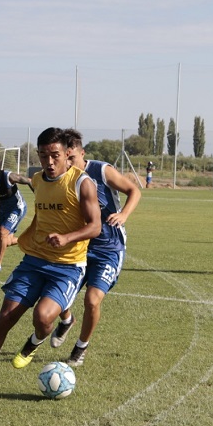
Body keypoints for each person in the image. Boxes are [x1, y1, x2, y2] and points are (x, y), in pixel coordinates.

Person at [0, 128, 101, 396]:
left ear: (67, 154)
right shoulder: (38, 181)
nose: (49, 162)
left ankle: (36, 340)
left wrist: (67, 238)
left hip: (68, 267)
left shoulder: (82, 183)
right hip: (34, 261)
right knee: (5, 316)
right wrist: (20, 240)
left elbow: (95, 226)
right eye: (43, 156)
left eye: (54, 155)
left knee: (42, 317)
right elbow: (42, 219)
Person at [39, 128, 141, 367]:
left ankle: (80, 348)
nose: (68, 164)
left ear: (81, 153)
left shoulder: (100, 170)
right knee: (55, 292)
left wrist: (124, 214)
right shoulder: (63, 177)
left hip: (109, 248)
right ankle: (67, 320)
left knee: (92, 300)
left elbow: (134, 190)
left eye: (72, 158)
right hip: (79, 246)